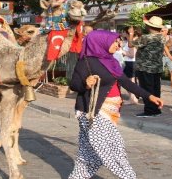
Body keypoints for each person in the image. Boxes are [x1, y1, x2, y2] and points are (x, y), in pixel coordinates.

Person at [68, 30, 163, 179]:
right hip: (93, 111)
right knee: (112, 148)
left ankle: (77, 176)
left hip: (111, 111)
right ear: (101, 42)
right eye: (115, 42)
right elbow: (74, 84)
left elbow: (125, 82)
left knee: (88, 153)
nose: (118, 45)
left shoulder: (111, 61)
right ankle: (128, 176)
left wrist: (149, 96)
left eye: (119, 42)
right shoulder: (86, 61)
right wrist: (85, 84)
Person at [129, 17, 170, 117]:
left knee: (147, 90)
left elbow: (130, 45)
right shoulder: (162, 37)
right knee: (156, 89)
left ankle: (149, 110)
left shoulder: (146, 38)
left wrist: (130, 34)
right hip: (157, 67)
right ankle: (156, 109)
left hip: (145, 67)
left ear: (149, 26)